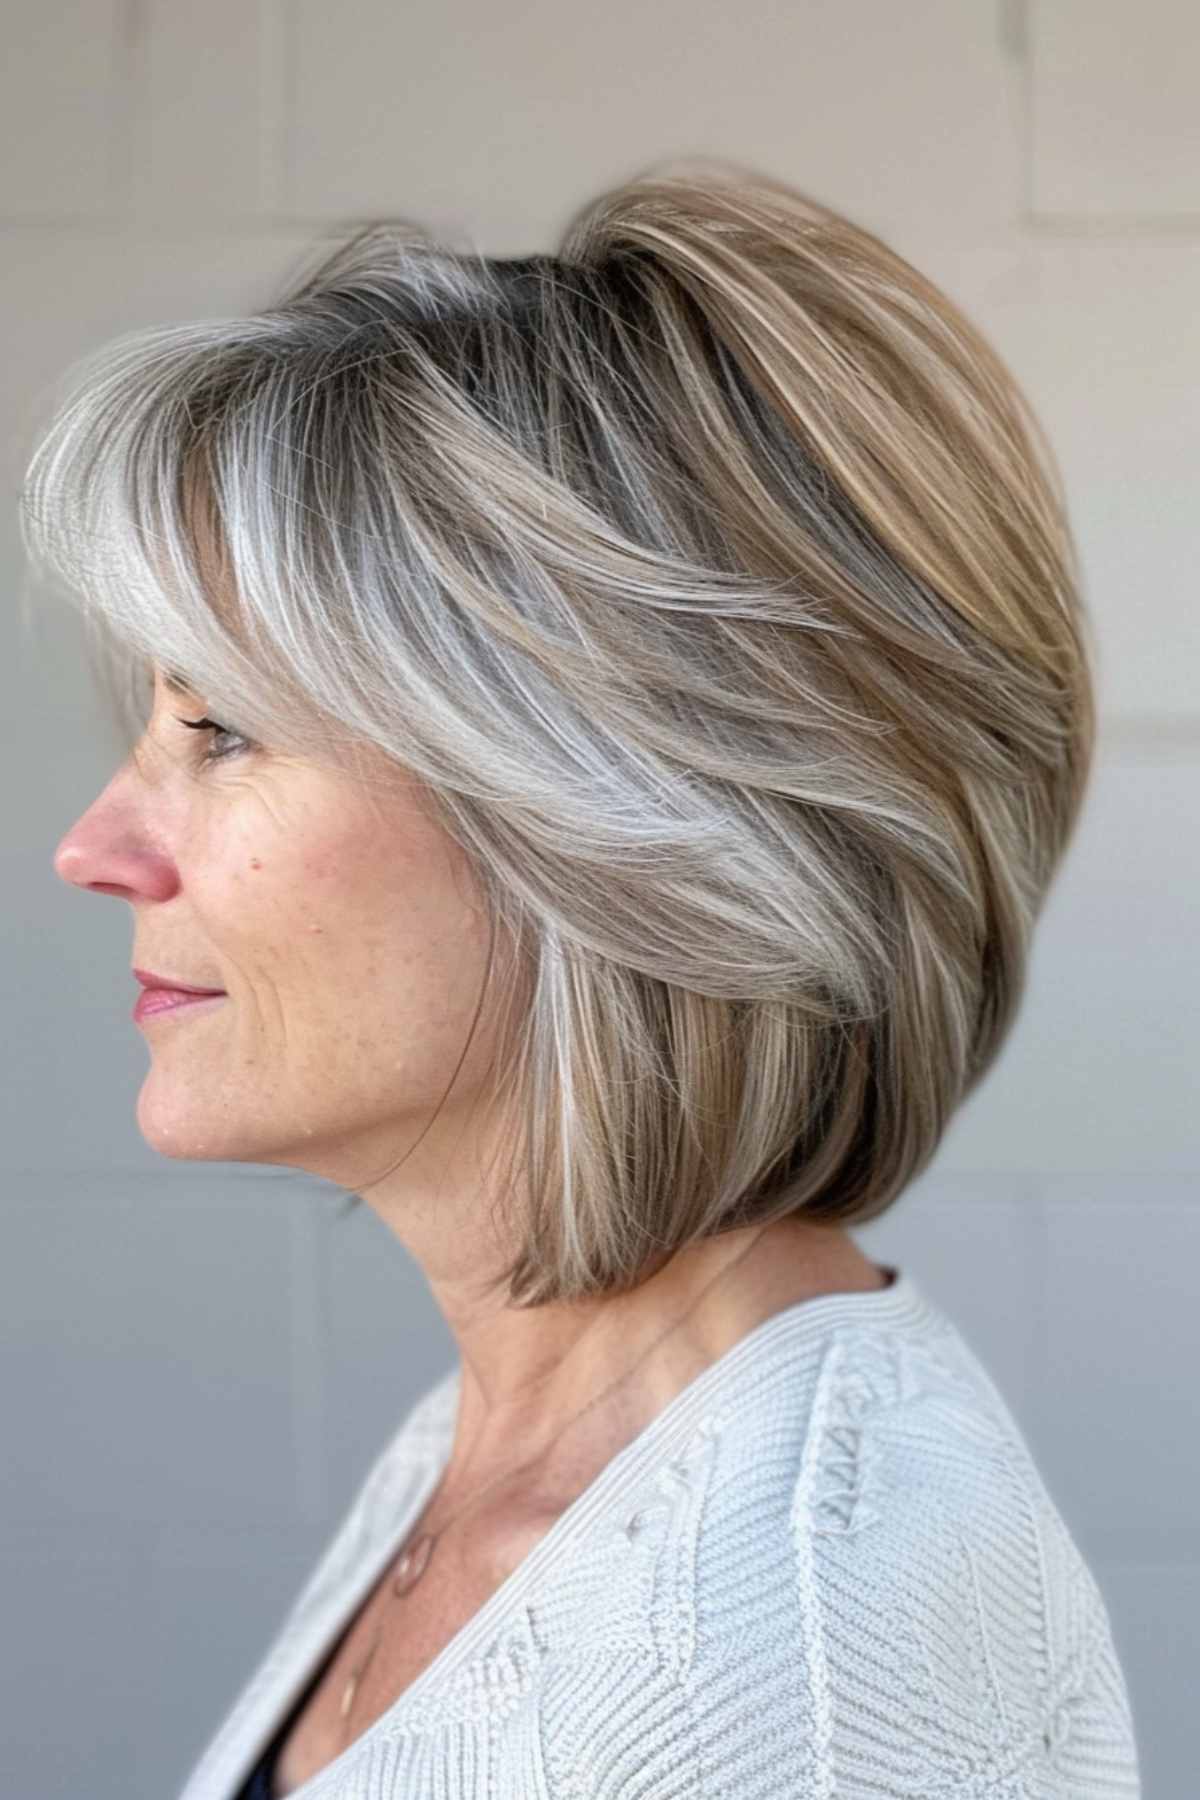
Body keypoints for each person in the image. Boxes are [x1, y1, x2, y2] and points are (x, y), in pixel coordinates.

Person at [26, 159, 1140, 1797]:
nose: (96, 846)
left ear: (610, 818)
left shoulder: (802, 1669)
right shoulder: (519, 1449)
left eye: (225, 729)